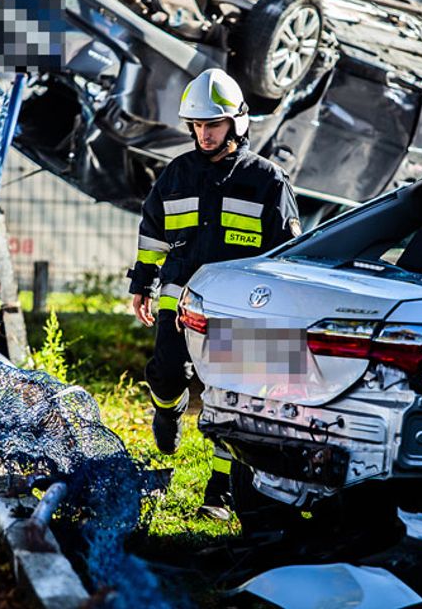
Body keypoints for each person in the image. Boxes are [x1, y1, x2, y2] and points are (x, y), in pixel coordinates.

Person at [127, 68, 301, 520]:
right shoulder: (176, 176)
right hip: (179, 292)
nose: (204, 135)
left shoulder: (268, 181)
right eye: (199, 126)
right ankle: (167, 413)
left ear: (237, 123)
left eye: (214, 125)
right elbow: (153, 236)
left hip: (239, 303)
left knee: (233, 394)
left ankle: (220, 492)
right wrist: (141, 283)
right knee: (165, 373)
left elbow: (287, 254)